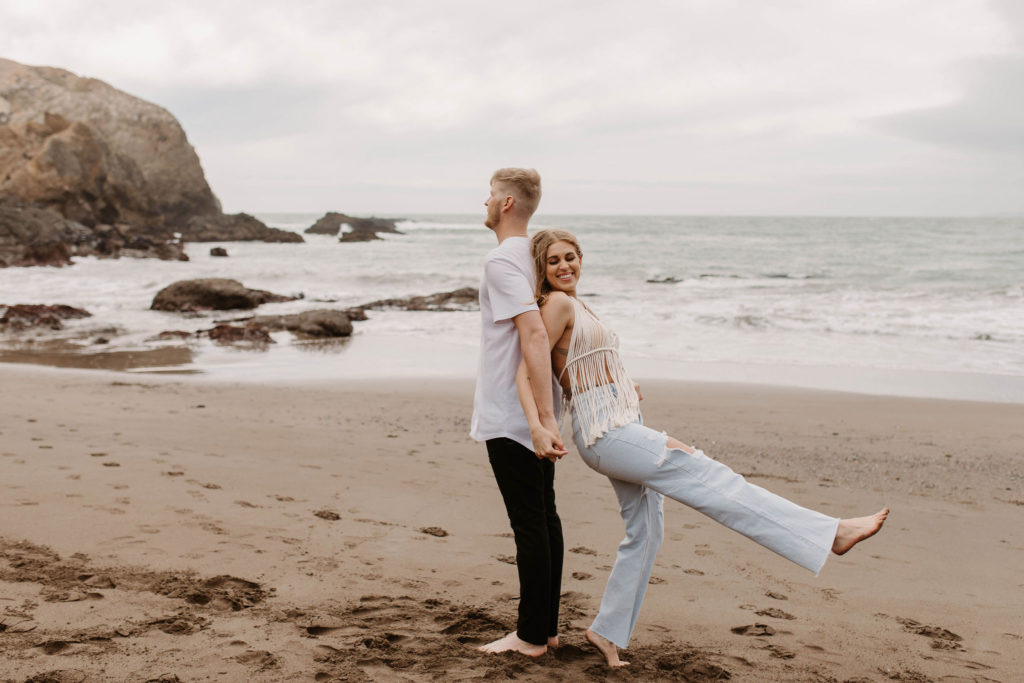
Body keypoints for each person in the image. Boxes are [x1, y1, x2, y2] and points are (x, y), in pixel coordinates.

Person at [516, 228, 889, 668]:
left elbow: (578, 365)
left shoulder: (577, 304)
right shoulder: (557, 304)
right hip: (605, 435)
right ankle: (830, 534)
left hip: (618, 422)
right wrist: (541, 426)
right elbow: (528, 370)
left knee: (646, 532)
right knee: (709, 475)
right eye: (554, 260)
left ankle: (607, 631)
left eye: (571, 257)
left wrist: (620, 384)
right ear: (542, 268)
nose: (565, 266)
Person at [470, 169, 569, 658]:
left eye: (490, 194)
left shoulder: (503, 261)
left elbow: (533, 333)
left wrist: (541, 420)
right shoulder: (532, 259)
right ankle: (546, 629)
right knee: (544, 517)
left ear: (507, 203)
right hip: (531, 413)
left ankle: (530, 637)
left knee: (530, 522)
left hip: (515, 416)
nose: (484, 201)